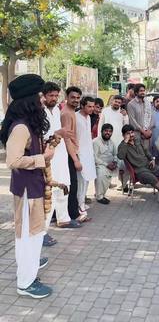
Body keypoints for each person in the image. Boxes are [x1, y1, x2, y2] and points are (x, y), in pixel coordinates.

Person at [0, 74, 54, 298]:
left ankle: (30, 273)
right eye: (40, 95)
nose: (43, 100)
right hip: (26, 191)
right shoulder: (21, 127)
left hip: (34, 187)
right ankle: (25, 283)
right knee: (26, 237)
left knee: (34, 235)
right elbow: (12, 161)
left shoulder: (29, 124)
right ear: (29, 99)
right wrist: (42, 158)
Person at [43, 82, 81, 247]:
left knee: (64, 186)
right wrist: (59, 133)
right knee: (48, 193)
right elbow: (42, 136)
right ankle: (42, 232)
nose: (53, 98)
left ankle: (63, 219)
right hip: (48, 158)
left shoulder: (57, 110)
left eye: (55, 95)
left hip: (61, 155)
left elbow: (61, 135)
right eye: (50, 95)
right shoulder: (40, 112)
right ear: (44, 96)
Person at [117, 124, 159, 211]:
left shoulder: (138, 140)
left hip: (148, 165)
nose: (131, 135)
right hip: (139, 170)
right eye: (128, 133)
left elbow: (146, 151)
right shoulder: (122, 146)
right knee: (152, 178)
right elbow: (120, 156)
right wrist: (125, 141)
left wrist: (152, 159)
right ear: (123, 135)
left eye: (132, 132)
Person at [61, 86, 84, 221]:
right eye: (73, 97)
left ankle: (71, 213)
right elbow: (67, 138)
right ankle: (73, 215)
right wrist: (75, 159)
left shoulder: (71, 112)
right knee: (72, 185)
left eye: (77, 98)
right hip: (68, 154)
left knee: (72, 184)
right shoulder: (66, 114)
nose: (75, 100)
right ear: (67, 97)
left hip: (72, 152)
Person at [76, 96, 97, 215]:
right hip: (79, 154)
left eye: (93, 106)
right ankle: (79, 205)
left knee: (87, 179)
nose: (92, 108)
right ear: (82, 106)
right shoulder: (75, 117)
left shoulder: (88, 117)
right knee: (81, 180)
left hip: (88, 153)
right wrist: (76, 156)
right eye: (89, 106)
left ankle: (82, 202)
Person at [93, 124, 118, 204]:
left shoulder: (112, 142)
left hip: (110, 165)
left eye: (110, 131)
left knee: (121, 165)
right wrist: (106, 164)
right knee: (101, 174)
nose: (108, 133)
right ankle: (99, 197)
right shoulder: (96, 142)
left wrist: (114, 162)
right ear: (101, 131)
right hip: (99, 164)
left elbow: (115, 154)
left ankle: (100, 194)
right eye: (106, 131)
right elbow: (95, 157)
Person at [127, 84, 154, 149]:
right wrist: (143, 131)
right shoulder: (131, 104)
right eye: (141, 91)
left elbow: (151, 117)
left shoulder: (147, 103)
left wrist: (149, 130)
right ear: (136, 92)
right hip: (137, 135)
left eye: (144, 91)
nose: (143, 92)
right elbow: (132, 120)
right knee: (138, 155)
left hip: (147, 135)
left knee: (147, 154)